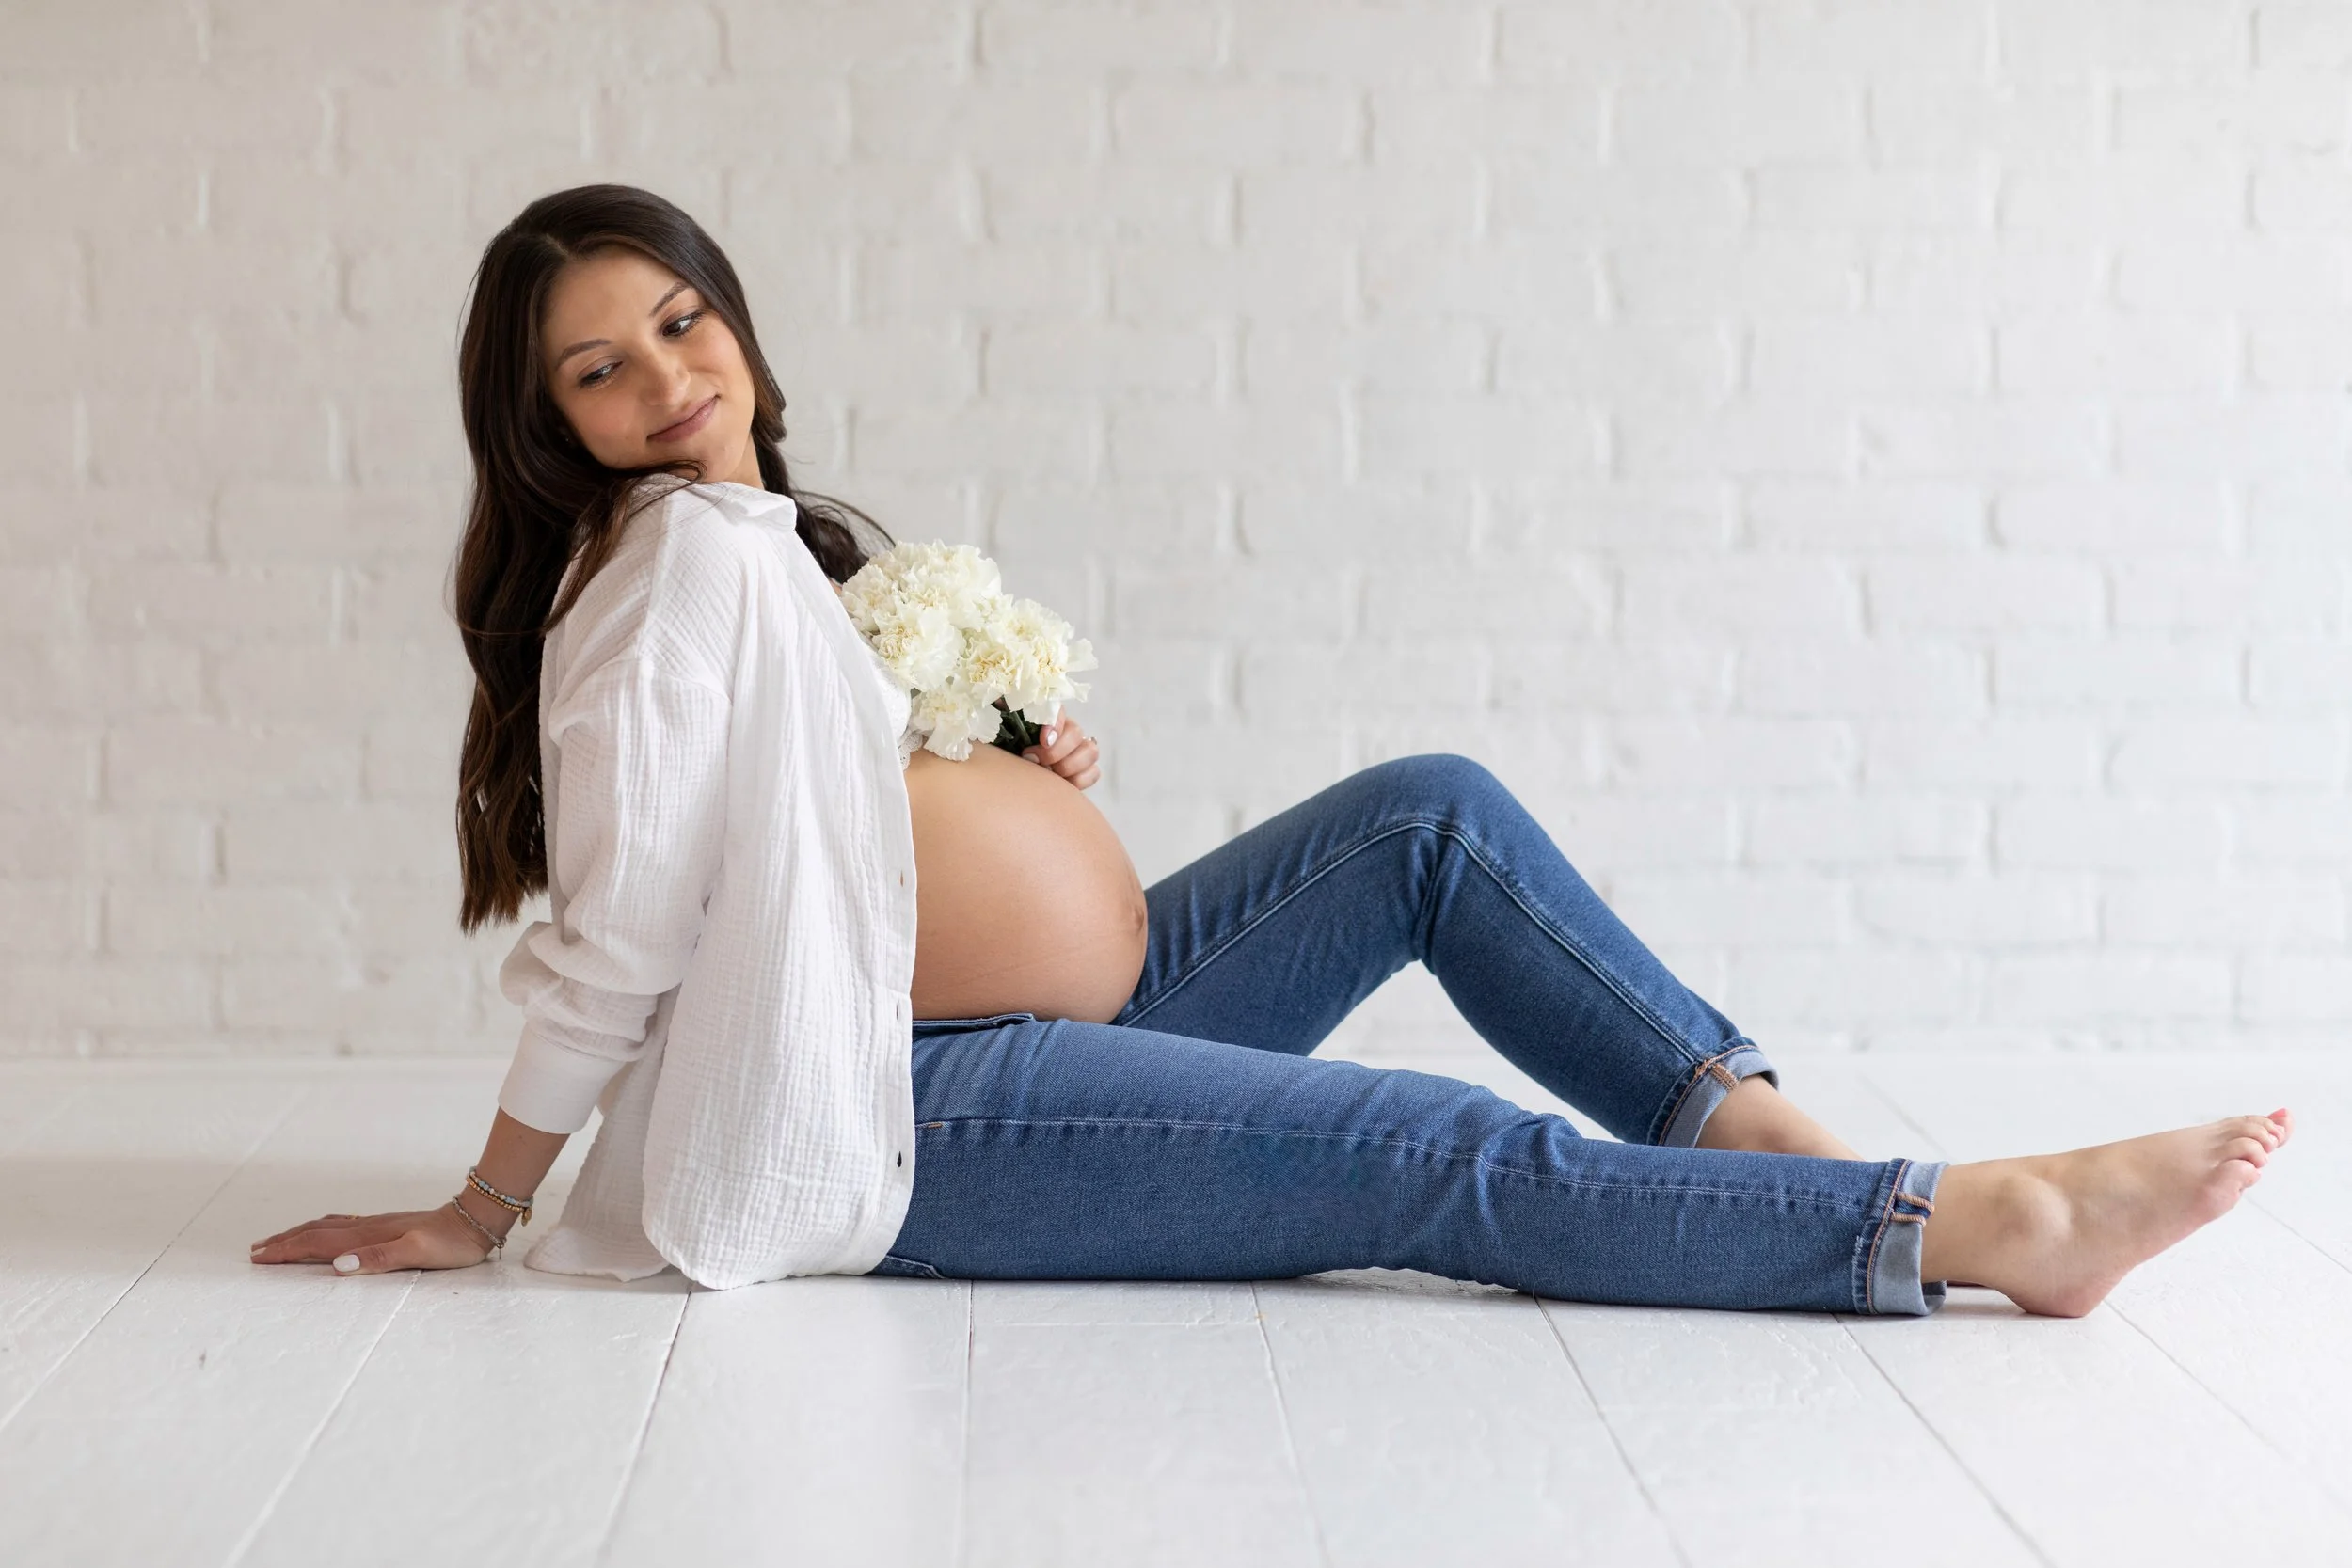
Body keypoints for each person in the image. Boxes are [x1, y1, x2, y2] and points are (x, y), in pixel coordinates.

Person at [251, 184, 2294, 1319]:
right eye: (598, 370)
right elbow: (615, 932)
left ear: (748, 332)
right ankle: (1965, 1227)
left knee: (1429, 821)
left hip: (997, 1022)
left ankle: (1763, 1146)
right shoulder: (668, 571)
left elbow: (829, 844)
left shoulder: (776, 553)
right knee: (1432, 1158)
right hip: (888, 1120)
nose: (662, 377)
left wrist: (995, 770)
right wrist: (483, 1196)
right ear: (552, 429)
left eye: (682, 323)